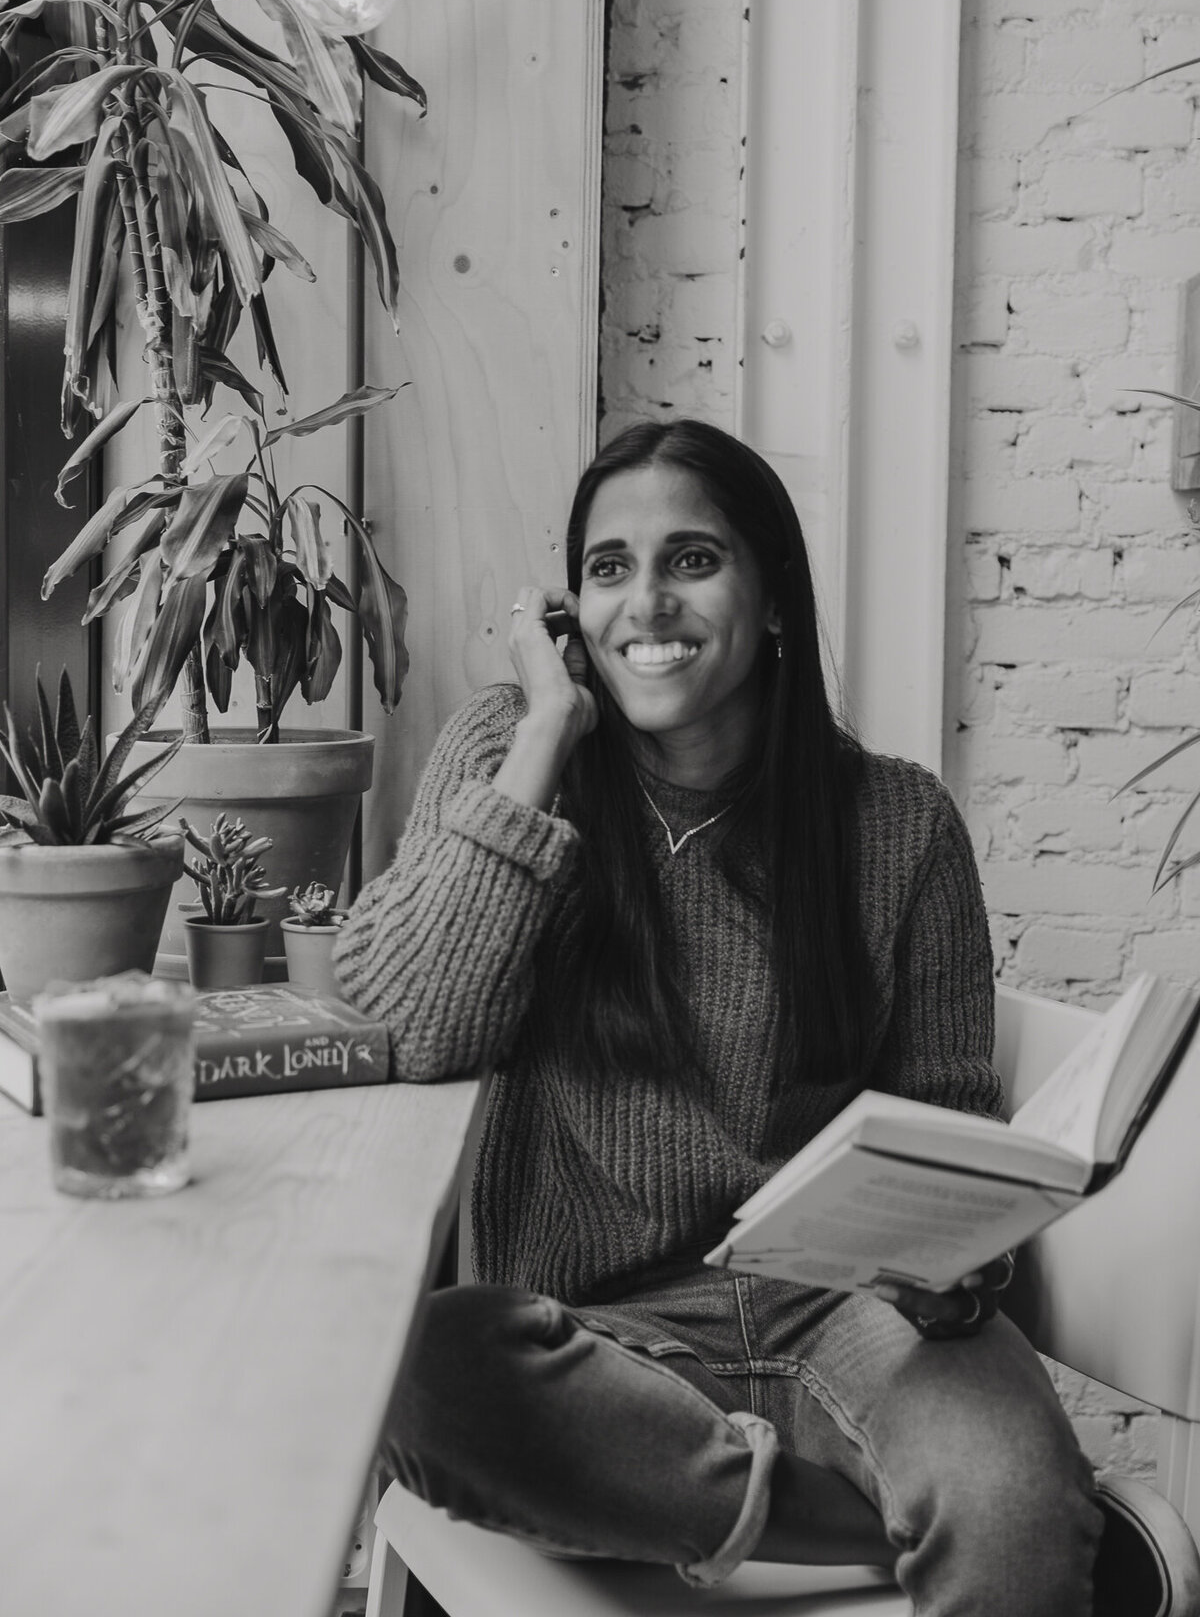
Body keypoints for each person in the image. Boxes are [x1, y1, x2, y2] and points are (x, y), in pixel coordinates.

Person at [333, 418, 1194, 1615]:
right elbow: (406, 1023)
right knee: (417, 1372)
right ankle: (900, 1521)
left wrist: (959, 1254)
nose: (648, 602)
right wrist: (543, 734)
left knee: (1001, 1506)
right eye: (608, 569)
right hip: (594, 1339)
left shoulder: (898, 824)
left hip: (852, 1315)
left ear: (774, 600)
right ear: (569, 614)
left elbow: (951, 1119)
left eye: (693, 560)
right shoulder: (509, 750)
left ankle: (994, 1509)